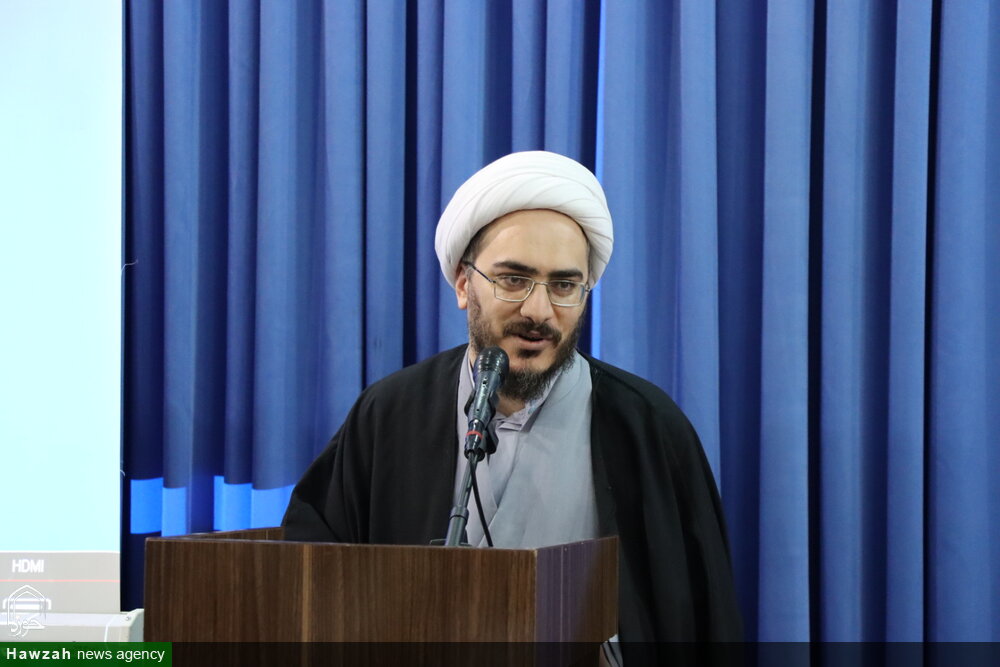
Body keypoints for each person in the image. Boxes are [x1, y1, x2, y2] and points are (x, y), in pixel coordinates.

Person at [282, 151, 743, 648]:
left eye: (564, 285)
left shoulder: (648, 427)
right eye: (514, 280)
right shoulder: (390, 415)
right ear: (464, 284)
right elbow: (314, 578)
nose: (538, 310)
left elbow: (704, 616)